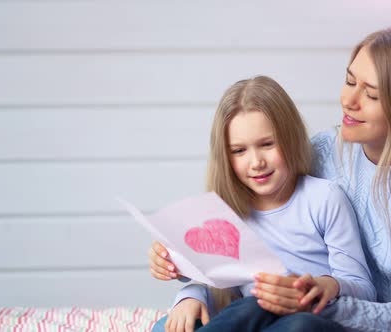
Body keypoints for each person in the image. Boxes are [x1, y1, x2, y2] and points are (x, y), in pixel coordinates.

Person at [150, 24, 391, 332]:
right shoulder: (321, 153)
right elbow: (241, 229)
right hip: (294, 310)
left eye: (371, 94)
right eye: (350, 81)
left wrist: (312, 302)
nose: (348, 101)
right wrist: (190, 285)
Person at [152, 75, 376, 332]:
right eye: (239, 151)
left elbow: (363, 288)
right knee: (172, 324)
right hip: (253, 315)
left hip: (315, 318)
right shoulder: (228, 210)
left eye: (267, 144)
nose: (256, 161)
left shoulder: (324, 198)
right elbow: (218, 281)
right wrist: (190, 295)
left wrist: (323, 286)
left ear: (290, 138)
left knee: (293, 322)